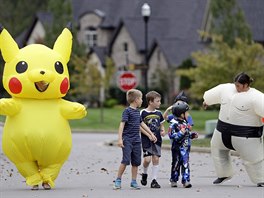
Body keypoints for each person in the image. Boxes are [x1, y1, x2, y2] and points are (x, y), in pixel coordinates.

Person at [203, 72, 264, 187]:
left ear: (246, 85)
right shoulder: (226, 89)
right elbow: (211, 95)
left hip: (246, 136)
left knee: (254, 159)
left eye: (239, 86)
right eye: (235, 84)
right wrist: (207, 101)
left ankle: (260, 178)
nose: (236, 87)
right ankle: (223, 174)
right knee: (217, 149)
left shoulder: (257, 97)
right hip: (221, 132)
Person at [113, 89, 157, 190]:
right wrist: (120, 139)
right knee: (126, 160)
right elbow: (122, 124)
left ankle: (133, 182)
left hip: (137, 140)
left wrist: (150, 134)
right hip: (127, 139)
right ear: (136, 100)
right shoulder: (127, 111)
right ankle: (118, 180)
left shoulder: (137, 112)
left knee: (136, 162)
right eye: (141, 98)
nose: (142, 100)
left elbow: (141, 124)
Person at [167, 101, 198, 188]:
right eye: (186, 112)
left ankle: (186, 180)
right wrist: (180, 132)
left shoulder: (185, 123)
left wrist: (192, 135)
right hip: (176, 148)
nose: (188, 114)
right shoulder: (173, 124)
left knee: (185, 164)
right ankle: (174, 180)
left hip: (185, 148)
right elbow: (172, 136)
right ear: (181, 114)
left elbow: (187, 134)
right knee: (176, 164)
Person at [140, 91, 166, 188]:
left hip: (157, 140)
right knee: (147, 160)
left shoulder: (159, 113)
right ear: (151, 102)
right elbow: (140, 126)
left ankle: (154, 180)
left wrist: (163, 131)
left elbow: (162, 124)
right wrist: (148, 135)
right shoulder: (143, 112)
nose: (160, 103)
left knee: (156, 158)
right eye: (158, 101)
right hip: (146, 139)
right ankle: (144, 173)